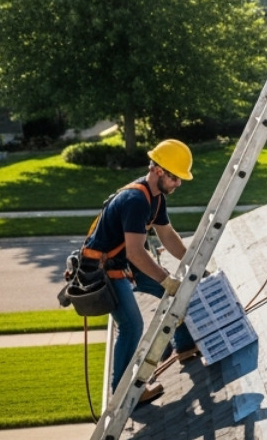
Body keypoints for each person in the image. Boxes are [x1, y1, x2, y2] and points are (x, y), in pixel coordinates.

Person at [80, 139, 198, 405]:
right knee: (132, 326)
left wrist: (194, 262)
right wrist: (164, 278)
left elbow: (167, 235)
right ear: (157, 170)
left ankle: (185, 345)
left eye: (180, 179)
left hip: (122, 261)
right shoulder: (136, 200)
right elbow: (135, 252)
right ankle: (122, 394)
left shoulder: (155, 199)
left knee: (175, 295)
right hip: (103, 270)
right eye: (174, 178)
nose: (178, 184)